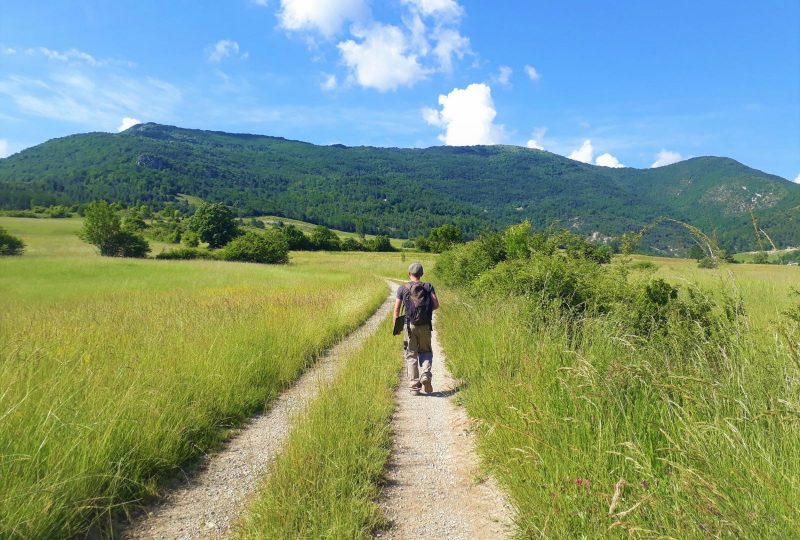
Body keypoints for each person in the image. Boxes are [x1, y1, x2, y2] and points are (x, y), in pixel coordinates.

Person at [394, 262, 440, 395]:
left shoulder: (402, 288)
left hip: (409, 326)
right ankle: (425, 374)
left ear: (409, 274)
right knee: (426, 351)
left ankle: (414, 387)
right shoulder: (428, 286)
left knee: (411, 355)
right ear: (422, 274)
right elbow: (436, 305)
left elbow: (396, 309)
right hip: (425, 325)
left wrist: (396, 327)